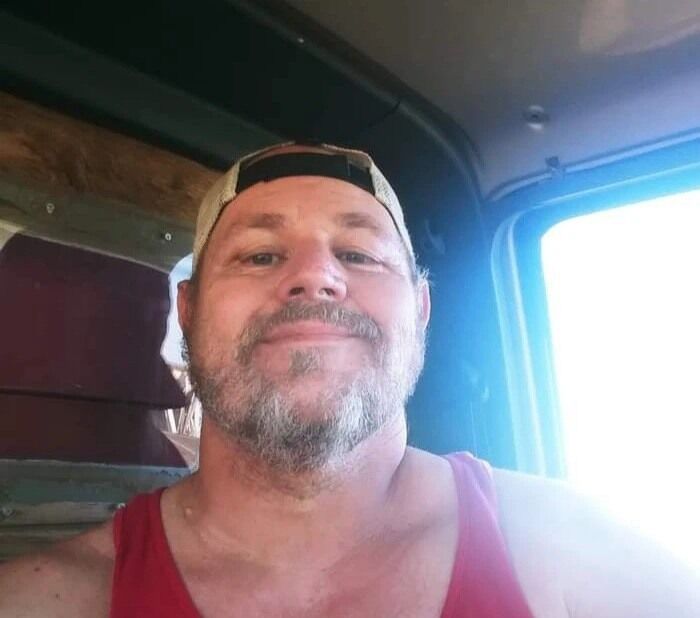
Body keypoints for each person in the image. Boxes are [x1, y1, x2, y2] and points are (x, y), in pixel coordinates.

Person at [1, 142, 698, 617]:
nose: (315, 276)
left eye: (360, 254)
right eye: (260, 254)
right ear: (188, 312)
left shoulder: (584, 556)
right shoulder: (47, 599)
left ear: (420, 311)